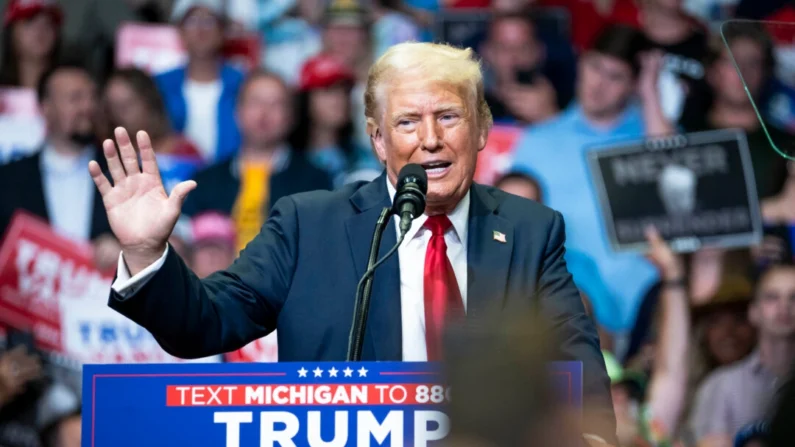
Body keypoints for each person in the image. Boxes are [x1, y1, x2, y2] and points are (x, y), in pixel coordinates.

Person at [91, 42, 617, 445]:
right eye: (407, 121)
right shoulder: (308, 224)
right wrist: (145, 253)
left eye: (449, 116)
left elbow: (575, 356)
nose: (429, 139)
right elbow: (203, 323)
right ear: (378, 139)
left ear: (480, 128)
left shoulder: (530, 230)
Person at [510, 24, 673, 331]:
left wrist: (651, 93)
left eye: (616, 76)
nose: (599, 84)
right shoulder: (536, 140)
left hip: (640, 298)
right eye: (595, 67)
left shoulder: (651, 133)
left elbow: (672, 169)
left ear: (633, 85)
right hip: (559, 303)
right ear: (581, 62)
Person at [181, 70, 333, 253]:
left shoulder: (314, 180)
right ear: (237, 111)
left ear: (291, 117)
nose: (264, 113)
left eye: (276, 104)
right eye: (255, 102)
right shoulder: (205, 180)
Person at [0, 63, 117, 269]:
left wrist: (126, 251)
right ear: (46, 108)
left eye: (92, 97)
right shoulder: (8, 179)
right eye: (75, 98)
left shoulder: (120, 172)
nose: (87, 107)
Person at [689, 263, 795, 447]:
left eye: (794, 297)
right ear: (753, 312)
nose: (784, 306)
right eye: (772, 298)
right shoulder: (722, 384)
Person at [155, 0, 243, 163]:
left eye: (209, 21)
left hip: (230, 178)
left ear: (223, 30)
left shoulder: (243, 83)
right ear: (179, 31)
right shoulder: (158, 84)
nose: (200, 29)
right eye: (191, 21)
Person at [103, 68, 204, 193]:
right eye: (114, 107)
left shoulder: (185, 151)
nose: (121, 114)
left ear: (148, 101)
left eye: (128, 104)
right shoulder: (109, 157)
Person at [290, 54, 380, 187]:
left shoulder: (366, 159)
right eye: (328, 90)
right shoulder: (285, 159)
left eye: (345, 91)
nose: (340, 99)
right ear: (305, 100)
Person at [0, 0, 62, 89]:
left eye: (49, 23)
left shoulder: (74, 91)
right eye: (30, 21)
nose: (41, 30)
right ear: (11, 32)